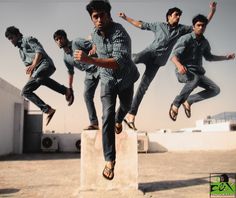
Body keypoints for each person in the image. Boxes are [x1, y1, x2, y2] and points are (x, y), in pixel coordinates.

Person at [118, 2, 217, 130]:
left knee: (143, 88)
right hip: (149, 53)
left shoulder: (182, 29)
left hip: (157, 63)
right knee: (135, 58)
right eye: (176, 15)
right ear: (169, 16)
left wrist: (212, 11)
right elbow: (140, 25)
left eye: (179, 16)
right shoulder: (158, 25)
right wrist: (126, 18)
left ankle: (131, 116)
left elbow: (200, 26)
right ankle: (117, 60)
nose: (178, 17)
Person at [74, 0, 139, 180]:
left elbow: (118, 62)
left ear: (109, 15)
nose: (99, 19)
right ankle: (110, 160)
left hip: (125, 79)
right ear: (92, 19)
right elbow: (95, 46)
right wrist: (92, 53)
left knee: (125, 108)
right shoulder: (95, 34)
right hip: (107, 80)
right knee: (107, 116)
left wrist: (90, 60)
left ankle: (120, 120)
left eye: (102, 15)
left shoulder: (120, 33)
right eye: (95, 16)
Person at [169, 14, 235, 121]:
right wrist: (179, 65)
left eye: (203, 26)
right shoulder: (186, 38)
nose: (201, 28)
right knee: (194, 79)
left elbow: (210, 57)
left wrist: (226, 58)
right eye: (198, 25)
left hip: (198, 74)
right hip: (184, 71)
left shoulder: (205, 42)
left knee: (215, 89)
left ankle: (189, 100)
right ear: (193, 26)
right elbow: (173, 56)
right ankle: (176, 104)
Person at [5, 26, 74, 126]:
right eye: (9, 39)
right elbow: (30, 70)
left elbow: (39, 51)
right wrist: (29, 82)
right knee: (26, 91)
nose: (11, 41)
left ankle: (64, 92)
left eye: (11, 38)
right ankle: (50, 109)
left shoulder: (28, 39)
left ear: (17, 35)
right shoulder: (21, 52)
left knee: (37, 78)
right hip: (37, 72)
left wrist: (33, 64)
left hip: (45, 64)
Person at [53, 30, 100, 130]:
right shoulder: (65, 58)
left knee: (108, 92)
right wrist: (70, 89)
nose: (59, 41)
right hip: (89, 73)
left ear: (65, 38)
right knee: (87, 95)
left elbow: (95, 44)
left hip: (99, 65)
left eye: (60, 38)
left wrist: (94, 47)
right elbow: (70, 72)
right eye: (56, 40)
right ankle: (94, 123)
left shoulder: (76, 42)